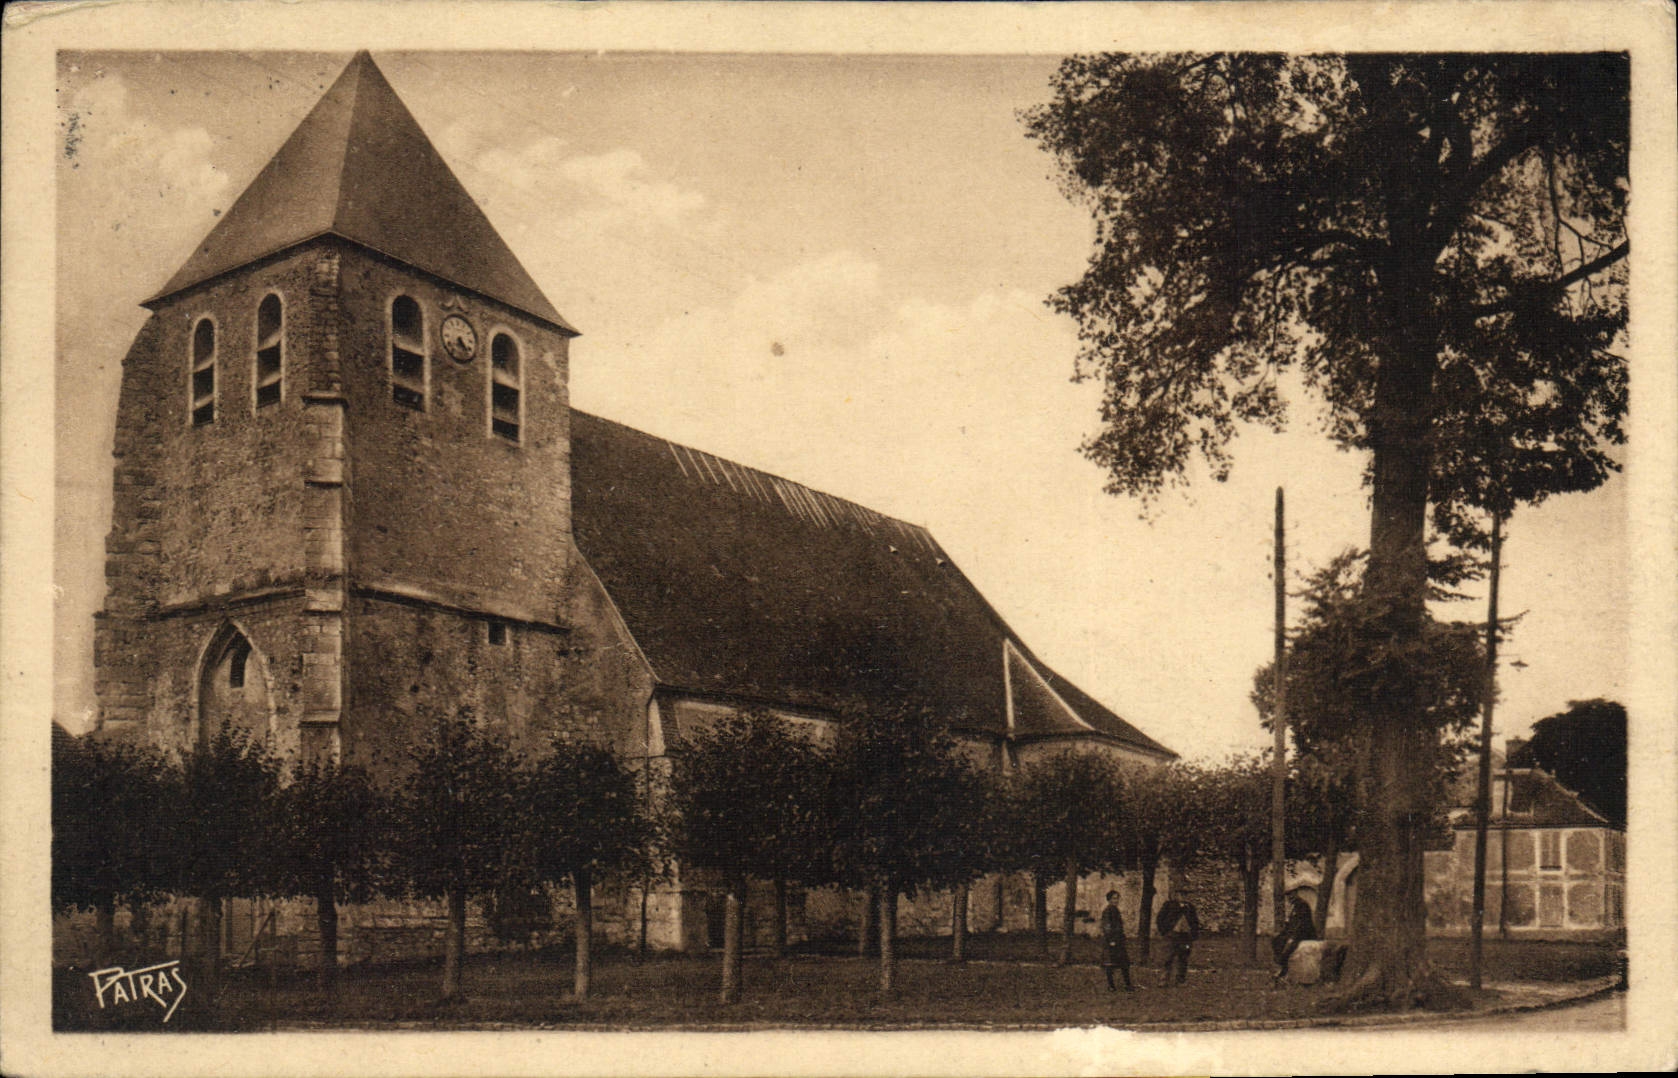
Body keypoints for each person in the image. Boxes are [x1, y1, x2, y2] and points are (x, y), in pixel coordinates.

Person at [1271, 892, 1319, 983]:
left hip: (1304, 934)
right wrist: (1281, 933)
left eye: (1291, 896)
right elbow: (1290, 924)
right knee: (1276, 940)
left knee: (1289, 947)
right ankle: (1281, 965)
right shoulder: (1294, 905)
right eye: (1288, 897)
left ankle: (1284, 969)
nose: (1289, 898)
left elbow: (1302, 924)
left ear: (1295, 895)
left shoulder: (1302, 905)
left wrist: (1292, 937)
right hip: (1294, 932)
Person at [1155, 891, 1201, 986]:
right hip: (1172, 935)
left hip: (1185, 936)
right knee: (1168, 957)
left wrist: (1193, 934)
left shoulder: (1190, 907)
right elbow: (1160, 918)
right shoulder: (1169, 905)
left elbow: (1195, 921)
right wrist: (1164, 931)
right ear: (1176, 896)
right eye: (1181, 895)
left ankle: (1180, 980)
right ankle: (1164, 979)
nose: (1183, 897)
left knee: (1183, 958)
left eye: (1185, 895)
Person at [1099, 890, 1134, 991]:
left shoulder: (1115, 910)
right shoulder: (1108, 911)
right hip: (1112, 941)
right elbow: (1106, 926)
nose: (1116, 900)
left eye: (1117, 898)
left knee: (1124, 963)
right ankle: (1111, 986)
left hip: (1118, 941)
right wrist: (1111, 940)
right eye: (1114, 898)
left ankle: (1127, 984)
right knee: (1110, 964)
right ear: (1109, 899)